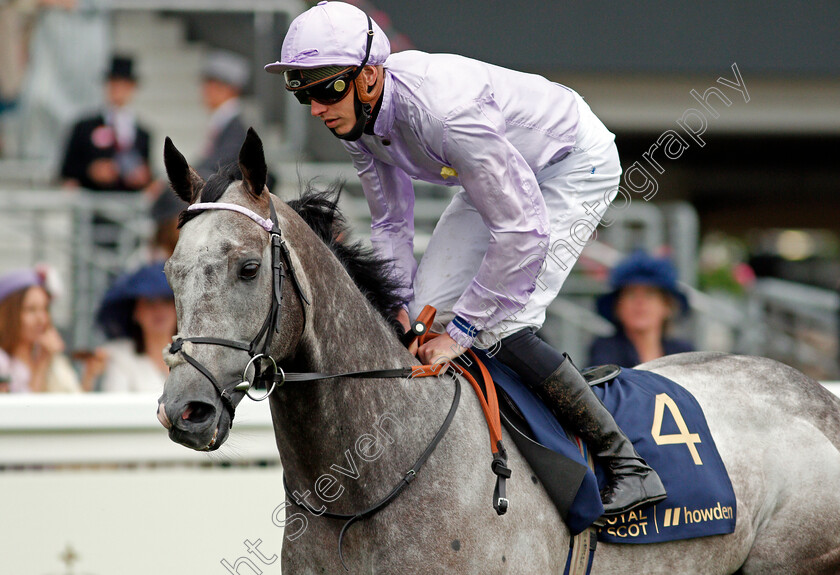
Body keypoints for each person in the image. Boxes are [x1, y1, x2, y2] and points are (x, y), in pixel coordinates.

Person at [265, 1, 665, 517]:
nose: (317, 108)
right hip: (496, 172)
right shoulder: (356, 119)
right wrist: (402, 307)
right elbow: (390, 223)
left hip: (571, 164)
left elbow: (522, 232)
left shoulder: (445, 115)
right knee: (425, 315)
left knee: (501, 322)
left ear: (367, 78)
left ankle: (627, 464)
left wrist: (464, 332)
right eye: (304, 95)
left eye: (325, 89)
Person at [0, 267, 101, 392]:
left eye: (45, 309)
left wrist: (89, 376)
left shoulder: (46, 353)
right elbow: (27, 408)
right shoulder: (3, 362)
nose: (41, 319)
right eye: (31, 310)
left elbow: (73, 403)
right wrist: (43, 362)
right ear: (8, 314)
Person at [59, 54, 152, 192]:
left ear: (132, 88)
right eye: (114, 83)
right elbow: (67, 169)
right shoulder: (84, 127)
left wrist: (142, 177)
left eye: (124, 85)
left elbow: (147, 174)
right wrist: (91, 171)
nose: (118, 90)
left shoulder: (143, 134)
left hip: (128, 206)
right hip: (93, 204)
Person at [589, 251, 695, 367]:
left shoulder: (683, 353)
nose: (640, 302)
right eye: (631, 294)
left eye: (650, 294)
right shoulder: (605, 350)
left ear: (667, 306)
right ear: (617, 307)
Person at [94, 261, 176, 393]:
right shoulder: (119, 357)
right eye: (149, 302)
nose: (159, 310)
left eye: (166, 300)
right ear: (135, 312)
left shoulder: (196, 355)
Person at [195, 49, 250, 180]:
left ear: (230, 89)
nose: (206, 91)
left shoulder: (237, 128)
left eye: (214, 85)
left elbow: (220, 164)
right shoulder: (223, 122)